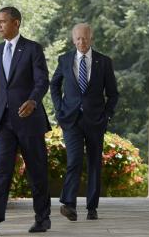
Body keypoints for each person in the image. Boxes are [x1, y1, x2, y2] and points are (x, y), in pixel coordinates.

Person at [0, 7, 51, 235]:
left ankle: (43, 218)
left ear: (16, 23)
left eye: (3, 22)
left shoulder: (32, 48)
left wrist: (33, 101)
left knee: (37, 171)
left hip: (29, 120)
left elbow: (42, 81)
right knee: (0, 170)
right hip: (4, 122)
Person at [50, 23, 118, 221]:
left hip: (95, 120)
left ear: (91, 39)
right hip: (71, 120)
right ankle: (69, 204)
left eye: (85, 38)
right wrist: (59, 109)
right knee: (74, 160)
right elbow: (54, 85)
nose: (81, 42)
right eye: (78, 38)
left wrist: (107, 116)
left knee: (94, 163)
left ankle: (92, 208)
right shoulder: (64, 60)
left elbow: (113, 94)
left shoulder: (104, 62)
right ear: (73, 40)